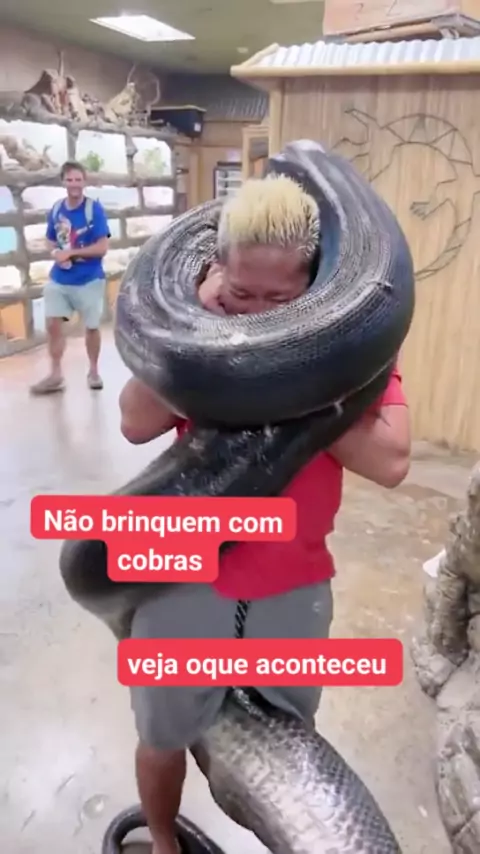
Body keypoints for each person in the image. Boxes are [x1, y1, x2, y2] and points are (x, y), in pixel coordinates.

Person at [118, 174, 411, 854]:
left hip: (294, 580)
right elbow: (135, 422)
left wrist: (294, 377)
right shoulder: (194, 328)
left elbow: (392, 460)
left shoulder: (355, 342)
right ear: (218, 268)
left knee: (284, 746)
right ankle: (162, 841)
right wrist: (196, 338)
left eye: (280, 300)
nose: (256, 314)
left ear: (313, 280)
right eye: (242, 295)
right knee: (162, 733)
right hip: (182, 572)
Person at [30, 160, 110, 395]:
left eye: (78, 179)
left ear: (84, 182)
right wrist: (55, 253)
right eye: (70, 179)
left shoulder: (94, 209)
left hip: (89, 279)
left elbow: (102, 247)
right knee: (52, 324)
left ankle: (93, 371)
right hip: (60, 278)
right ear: (63, 182)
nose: (74, 184)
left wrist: (72, 253)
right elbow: (50, 240)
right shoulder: (56, 209)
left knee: (91, 327)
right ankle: (55, 374)